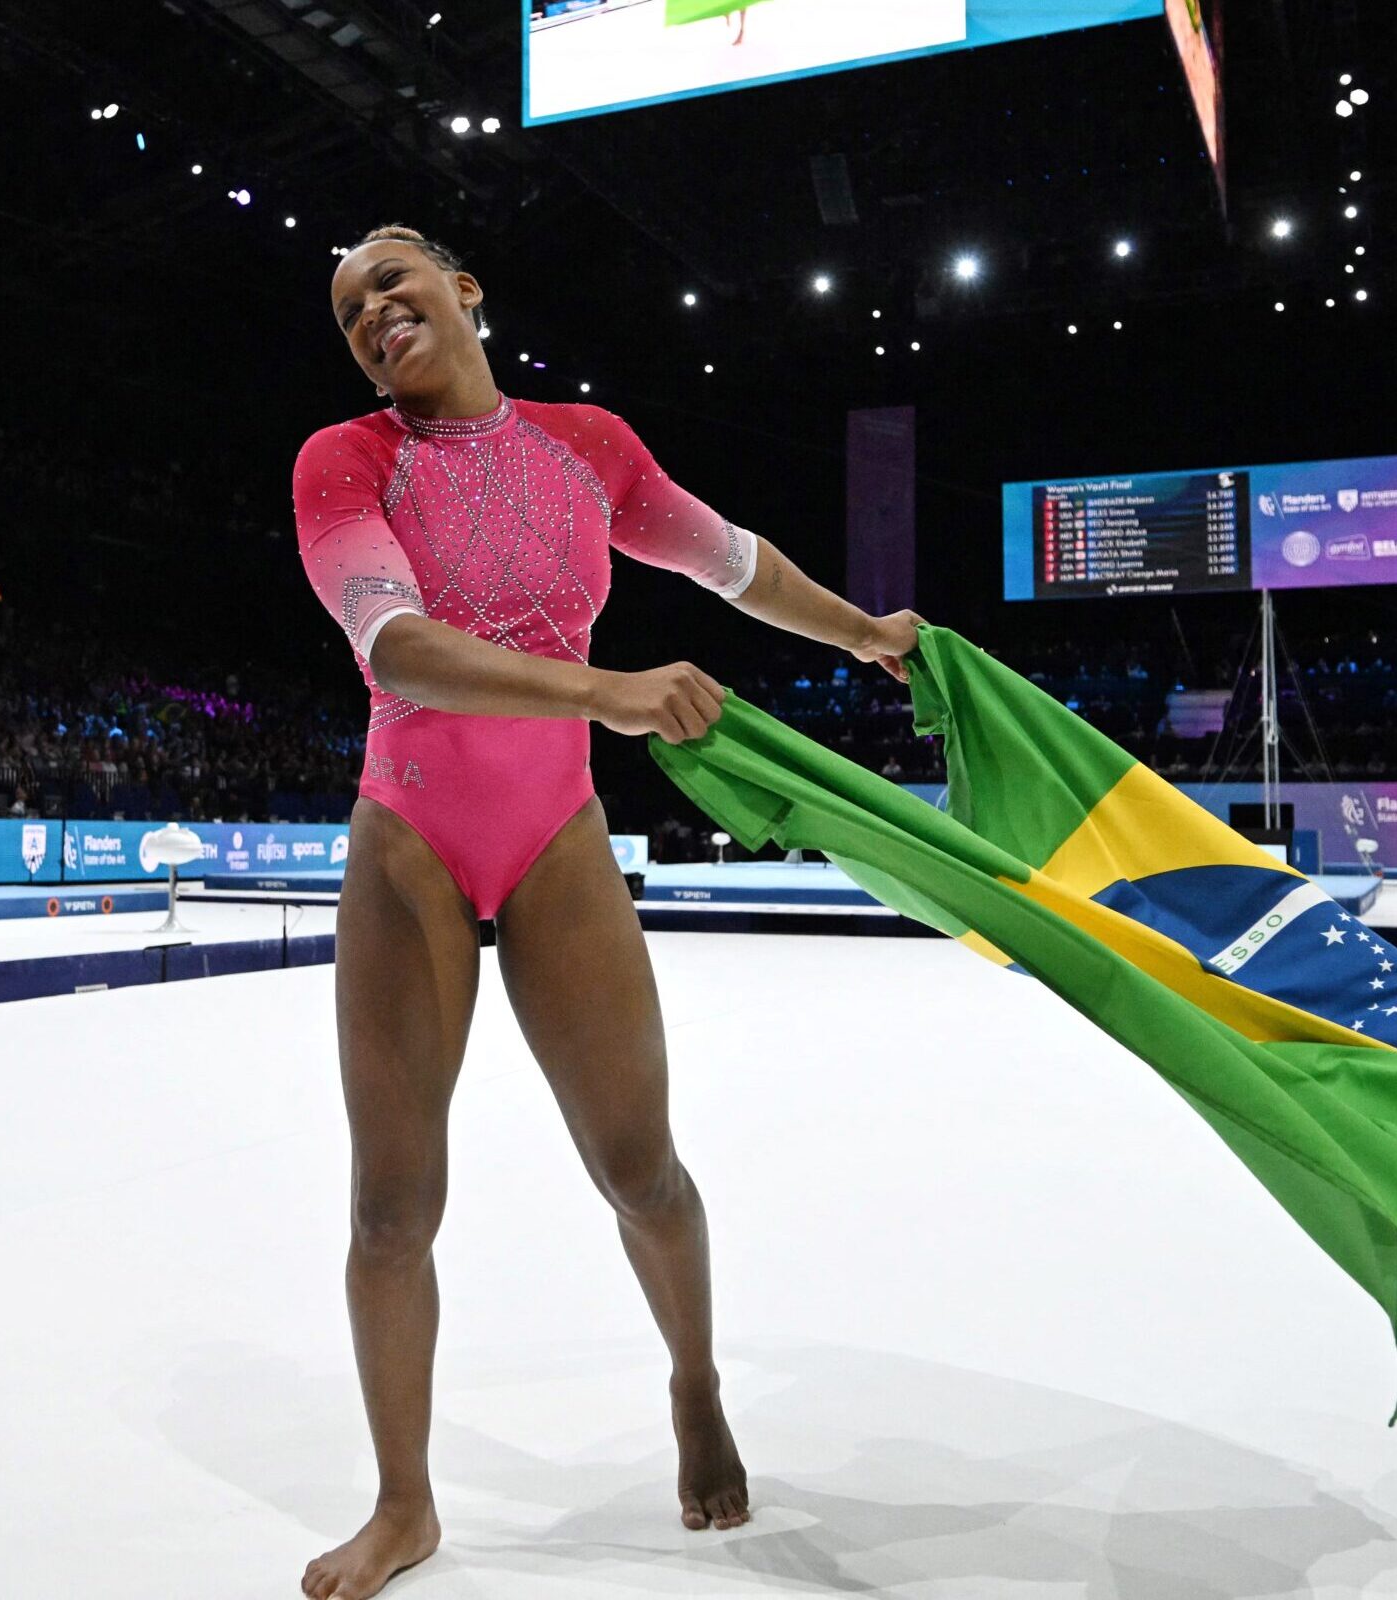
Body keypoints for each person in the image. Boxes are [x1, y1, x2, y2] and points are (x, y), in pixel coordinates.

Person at [292, 224, 924, 1600]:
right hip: (410, 833)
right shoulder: (345, 463)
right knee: (392, 1209)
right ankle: (405, 1505)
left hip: (552, 837)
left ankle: (695, 1381)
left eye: (393, 281)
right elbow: (395, 646)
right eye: (350, 312)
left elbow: (734, 565)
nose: (374, 313)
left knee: (643, 1170)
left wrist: (866, 632)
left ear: (465, 288)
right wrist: (607, 690)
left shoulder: (589, 447)